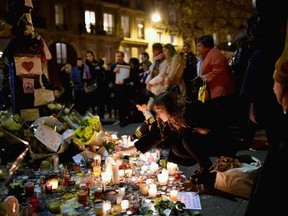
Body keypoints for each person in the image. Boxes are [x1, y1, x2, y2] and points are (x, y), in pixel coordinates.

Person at [116, 91, 237, 185]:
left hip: (220, 139)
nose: (157, 115)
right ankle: (202, 165)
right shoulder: (171, 119)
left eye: (159, 111)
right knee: (176, 147)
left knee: (187, 138)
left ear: (170, 108)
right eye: (156, 112)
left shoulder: (191, 110)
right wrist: (125, 150)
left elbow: (218, 118)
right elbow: (152, 138)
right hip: (202, 139)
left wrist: (207, 129)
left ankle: (207, 170)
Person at [197, 35, 237, 125]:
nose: (197, 48)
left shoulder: (214, 54)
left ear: (207, 46)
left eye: (199, 46)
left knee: (220, 116)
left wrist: (204, 77)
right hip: (216, 89)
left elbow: (218, 71)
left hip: (220, 90)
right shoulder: (210, 54)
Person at [109, 51, 131, 127]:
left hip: (125, 88)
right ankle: (122, 120)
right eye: (117, 56)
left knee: (125, 104)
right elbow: (109, 78)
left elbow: (131, 77)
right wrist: (113, 72)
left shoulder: (127, 66)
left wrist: (124, 81)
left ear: (123, 57)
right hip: (117, 88)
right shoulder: (113, 66)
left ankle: (126, 119)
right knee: (119, 104)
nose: (118, 58)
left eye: (119, 56)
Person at [83, 49, 106, 118]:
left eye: (90, 56)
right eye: (87, 56)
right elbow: (83, 76)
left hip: (99, 86)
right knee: (92, 102)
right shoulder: (85, 65)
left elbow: (102, 74)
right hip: (90, 85)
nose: (89, 58)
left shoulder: (98, 64)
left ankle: (100, 117)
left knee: (100, 102)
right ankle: (93, 116)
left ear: (93, 56)